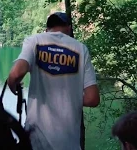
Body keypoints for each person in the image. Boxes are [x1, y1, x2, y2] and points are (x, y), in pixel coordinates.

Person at [7, 12, 100, 150]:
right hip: (69, 142)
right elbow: (93, 99)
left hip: (36, 139)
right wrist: (70, 98)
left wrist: (12, 86)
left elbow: (16, 74)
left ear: (47, 29)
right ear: (68, 28)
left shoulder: (35, 41)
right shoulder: (81, 49)